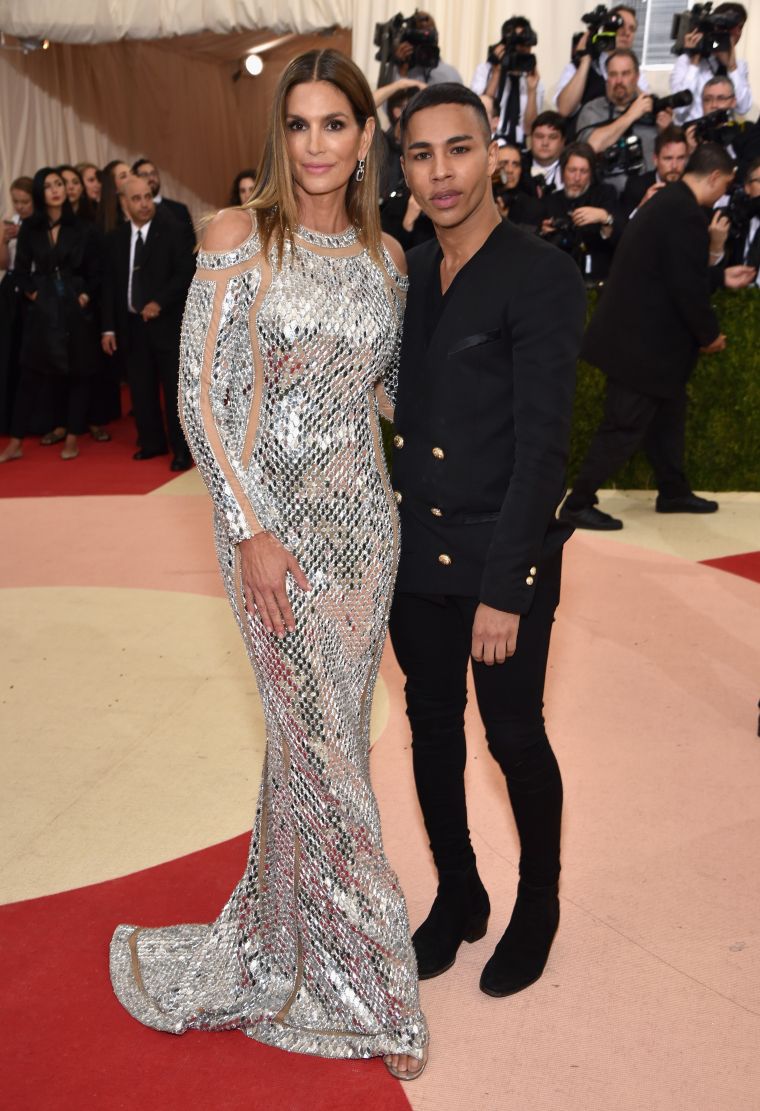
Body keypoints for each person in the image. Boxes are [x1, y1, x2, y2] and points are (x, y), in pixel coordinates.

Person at [108, 49, 429, 1081]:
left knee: (314, 745)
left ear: (365, 137)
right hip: (270, 534)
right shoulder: (238, 239)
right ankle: (373, 977)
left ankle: (287, 943)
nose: (317, 144)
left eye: (336, 124)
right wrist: (250, 530)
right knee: (326, 748)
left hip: (361, 532)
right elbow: (202, 401)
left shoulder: (388, 263)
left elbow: (385, 397)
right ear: (278, 138)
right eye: (299, 126)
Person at [389, 83, 586, 999]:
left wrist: (506, 585)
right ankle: (460, 889)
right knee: (430, 729)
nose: (442, 172)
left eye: (458, 149)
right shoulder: (412, 272)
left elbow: (543, 446)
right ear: (404, 168)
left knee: (512, 735)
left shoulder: (538, 272)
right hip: (415, 553)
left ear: (494, 153)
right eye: (422, 154)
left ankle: (537, 904)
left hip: (500, 554)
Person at [559, 143, 756, 531]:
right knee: (623, 425)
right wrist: (709, 334)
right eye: (726, 185)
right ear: (714, 177)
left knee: (669, 415)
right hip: (641, 348)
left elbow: (668, 273)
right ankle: (577, 503)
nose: (724, 194)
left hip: (644, 344)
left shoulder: (670, 204)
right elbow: (684, 286)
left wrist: (718, 278)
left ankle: (672, 491)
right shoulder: (684, 214)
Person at [0, 168, 102, 464]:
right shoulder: (31, 228)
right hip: (43, 311)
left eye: (59, 184)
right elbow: (20, 273)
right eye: (49, 186)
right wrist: (35, 295)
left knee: (79, 372)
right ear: (39, 193)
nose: (57, 190)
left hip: (74, 307)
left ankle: (72, 436)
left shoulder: (83, 228)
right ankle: (15, 442)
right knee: (29, 375)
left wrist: (84, 297)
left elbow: (96, 273)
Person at [101, 174, 194, 470]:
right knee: (140, 390)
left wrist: (159, 302)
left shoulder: (174, 231)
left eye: (147, 197)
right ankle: (151, 443)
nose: (144, 204)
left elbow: (184, 274)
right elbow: (109, 286)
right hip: (131, 326)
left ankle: (181, 450)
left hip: (166, 325)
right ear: (124, 203)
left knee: (172, 390)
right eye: (136, 198)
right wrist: (108, 327)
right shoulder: (115, 238)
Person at [577, 49, 669, 194]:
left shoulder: (652, 108)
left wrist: (666, 131)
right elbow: (591, 147)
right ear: (607, 78)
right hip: (606, 196)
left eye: (625, 74)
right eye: (613, 74)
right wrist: (631, 115)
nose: (619, 81)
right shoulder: (592, 110)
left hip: (650, 194)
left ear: (637, 77)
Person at [555, 4, 650, 124]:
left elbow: (646, 108)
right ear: (606, 28)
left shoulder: (637, 73)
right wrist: (586, 59)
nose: (626, 33)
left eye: (632, 29)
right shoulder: (577, 66)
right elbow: (564, 110)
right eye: (620, 25)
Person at [541, 142, 621, 283]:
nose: (577, 178)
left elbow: (618, 239)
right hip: (558, 277)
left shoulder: (605, 194)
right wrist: (543, 232)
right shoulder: (550, 201)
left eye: (583, 171)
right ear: (562, 171)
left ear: (591, 173)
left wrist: (605, 217)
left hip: (597, 276)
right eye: (572, 170)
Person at [670, 2, 752, 124]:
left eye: (740, 28)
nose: (736, 33)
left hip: (722, 136)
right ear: (715, 27)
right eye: (729, 28)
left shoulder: (739, 66)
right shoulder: (685, 61)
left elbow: (743, 108)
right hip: (690, 135)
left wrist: (731, 67)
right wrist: (694, 61)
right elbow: (680, 109)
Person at [470, 16, 543, 147]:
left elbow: (529, 128)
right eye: (517, 46)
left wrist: (532, 91)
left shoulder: (532, 78)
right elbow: (479, 112)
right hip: (488, 141)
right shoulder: (485, 70)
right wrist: (498, 71)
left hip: (518, 146)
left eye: (525, 47)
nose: (521, 52)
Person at [0, 177, 34, 434]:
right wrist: (2, 239)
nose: (20, 207)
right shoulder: (11, 220)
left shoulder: (40, 225)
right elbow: (4, 263)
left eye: (25, 201)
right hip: (10, 290)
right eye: (16, 201)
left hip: (33, 290)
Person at [620, 124, 688, 216]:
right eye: (668, 158)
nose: (674, 166)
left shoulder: (693, 187)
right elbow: (623, 228)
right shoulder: (636, 187)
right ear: (655, 160)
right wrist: (642, 207)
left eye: (680, 158)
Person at [386, 11, 463, 87]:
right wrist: (402, 72)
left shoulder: (448, 75)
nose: (423, 41)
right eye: (418, 36)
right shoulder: (394, 71)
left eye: (428, 35)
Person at [132, 157, 195, 250]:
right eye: (144, 175)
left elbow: (190, 247)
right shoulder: (132, 210)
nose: (151, 178)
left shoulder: (179, 210)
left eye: (153, 173)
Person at [524, 110, 567, 195]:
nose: (545, 143)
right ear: (531, 139)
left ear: (563, 142)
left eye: (552, 137)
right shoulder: (518, 165)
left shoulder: (571, 169)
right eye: (539, 136)